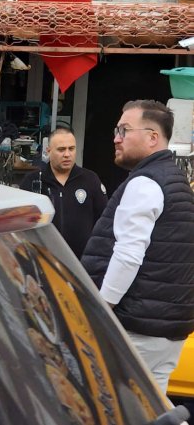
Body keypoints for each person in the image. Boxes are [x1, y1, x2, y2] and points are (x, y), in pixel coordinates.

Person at [81, 100, 194, 392]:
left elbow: (128, 256)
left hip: (137, 327)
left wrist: (101, 308)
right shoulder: (176, 182)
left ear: (152, 137)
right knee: (151, 407)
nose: (116, 138)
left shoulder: (146, 183)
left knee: (112, 404)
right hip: (168, 330)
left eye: (124, 130)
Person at [20, 127, 107, 258]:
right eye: (61, 149)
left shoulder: (90, 180)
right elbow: (20, 224)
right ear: (48, 151)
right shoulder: (33, 181)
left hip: (82, 262)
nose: (67, 154)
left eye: (71, 149)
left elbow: (104, 222)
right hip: (43, 259)